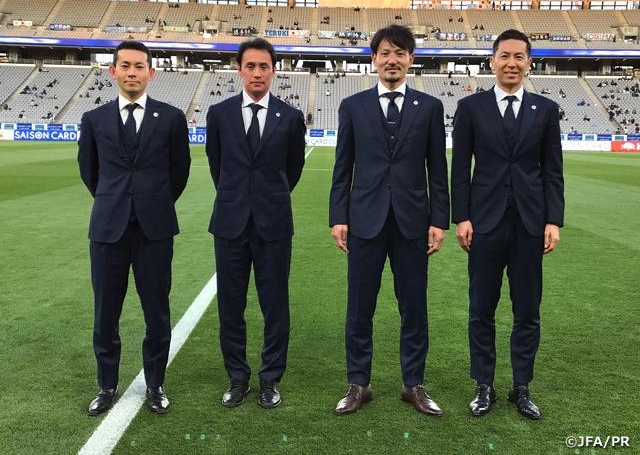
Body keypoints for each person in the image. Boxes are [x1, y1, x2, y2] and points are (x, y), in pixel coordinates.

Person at [329, 25, 450, 417]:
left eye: (399, 52)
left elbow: (438, 170)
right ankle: (358, 383)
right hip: (364, 220)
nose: (392, 59)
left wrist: (439, 220)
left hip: (414, 222)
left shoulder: (430, 108)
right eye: (384, 52)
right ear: (374, 59)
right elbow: (342, 166)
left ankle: (413, 384)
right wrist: (338, 217)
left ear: (410, 59)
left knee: (413, 307)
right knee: (359, 307)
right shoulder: (353, 106)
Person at [451, 29, 564, 420]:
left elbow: (553, 170)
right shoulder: (470, 108)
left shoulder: (546, 110)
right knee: (481, 308)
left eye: (519, 57)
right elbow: (459, 168)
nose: (511, 63)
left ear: (529, 62)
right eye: (504, 56)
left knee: (527, 311)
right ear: (492, 61)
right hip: (484, 222)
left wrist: (553, 220)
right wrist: (461, 216)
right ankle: (484, 385)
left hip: (531, 223)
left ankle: (521, 386)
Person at [78, 41, 191, 417]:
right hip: (108, 229)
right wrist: (116, 201)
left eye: (139, 66)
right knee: (105, 313)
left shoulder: (172, 118)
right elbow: (89, 173)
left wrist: (151, 203)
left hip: (154, 230)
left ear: (150, 73)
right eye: (124, 65)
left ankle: (155, 384)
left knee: (156, 311)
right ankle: (106, 384)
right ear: (112, 71)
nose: (131, 72)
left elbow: (179, 172)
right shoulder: (94, 120)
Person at [205, 38, 306, 409]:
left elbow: (292, 169)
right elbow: (217, 166)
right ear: (239, 69)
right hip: (230, 223)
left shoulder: (290, 116)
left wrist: (266, 198)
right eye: (251, 66)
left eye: (264, 66)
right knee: (230, 306)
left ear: (274, 70)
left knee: (275, 305)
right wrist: (238, 198)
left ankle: (269, 378)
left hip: (274, 224)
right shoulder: (219, 114)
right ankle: (237, 376)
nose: (257, 73)